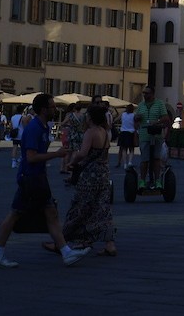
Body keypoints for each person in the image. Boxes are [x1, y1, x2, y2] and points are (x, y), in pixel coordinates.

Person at [0, 93, 91, 268]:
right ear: (44, 109)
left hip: (36, 177)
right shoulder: (34, 128)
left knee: (49, 212)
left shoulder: (42, 127)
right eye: (52, 107)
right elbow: (31, 157)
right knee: (16, 214)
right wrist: (57, 154)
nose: (55, 109)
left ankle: (66, 252)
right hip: (30, 177)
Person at [61, 104, 116, 256]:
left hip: (89, 176)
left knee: (80, 207)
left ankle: (65, 240)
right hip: (104, 174)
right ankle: (110, 243)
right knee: (103, 209)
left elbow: (83, 153)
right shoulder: (104, 132)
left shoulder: (90, 132)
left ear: (90, 117)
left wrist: (72, 161)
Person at [135, 86, 170, 187]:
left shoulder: (160, 104)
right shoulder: (141, 105)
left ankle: (158, 181)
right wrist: (137, 118)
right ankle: (142, 181)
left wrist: (157, 122)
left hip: (157, 135)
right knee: (144, 159)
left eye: (147, 93)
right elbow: (136, 120)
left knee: (156, 159)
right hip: (144, 136)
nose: (145, 95)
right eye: (144, 93)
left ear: (152, 94)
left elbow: (166, 118)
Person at [59, 104, 85, 176]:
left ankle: (67, 167)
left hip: (72, 134)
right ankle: (73, 166)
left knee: (69, 152)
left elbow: (63, 123)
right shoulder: (83, 116)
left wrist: (69, 126)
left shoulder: (71, 115)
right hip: (80, 134)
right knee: (76, 151)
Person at [117, 104, 137, 169]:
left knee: (124, 149)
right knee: (131, 149)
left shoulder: (123, 114)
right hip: (131, 132)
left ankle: (125, 163)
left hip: (123, 132)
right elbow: (136, 124)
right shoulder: (134, 115)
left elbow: (116, 119)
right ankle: (130, 162)